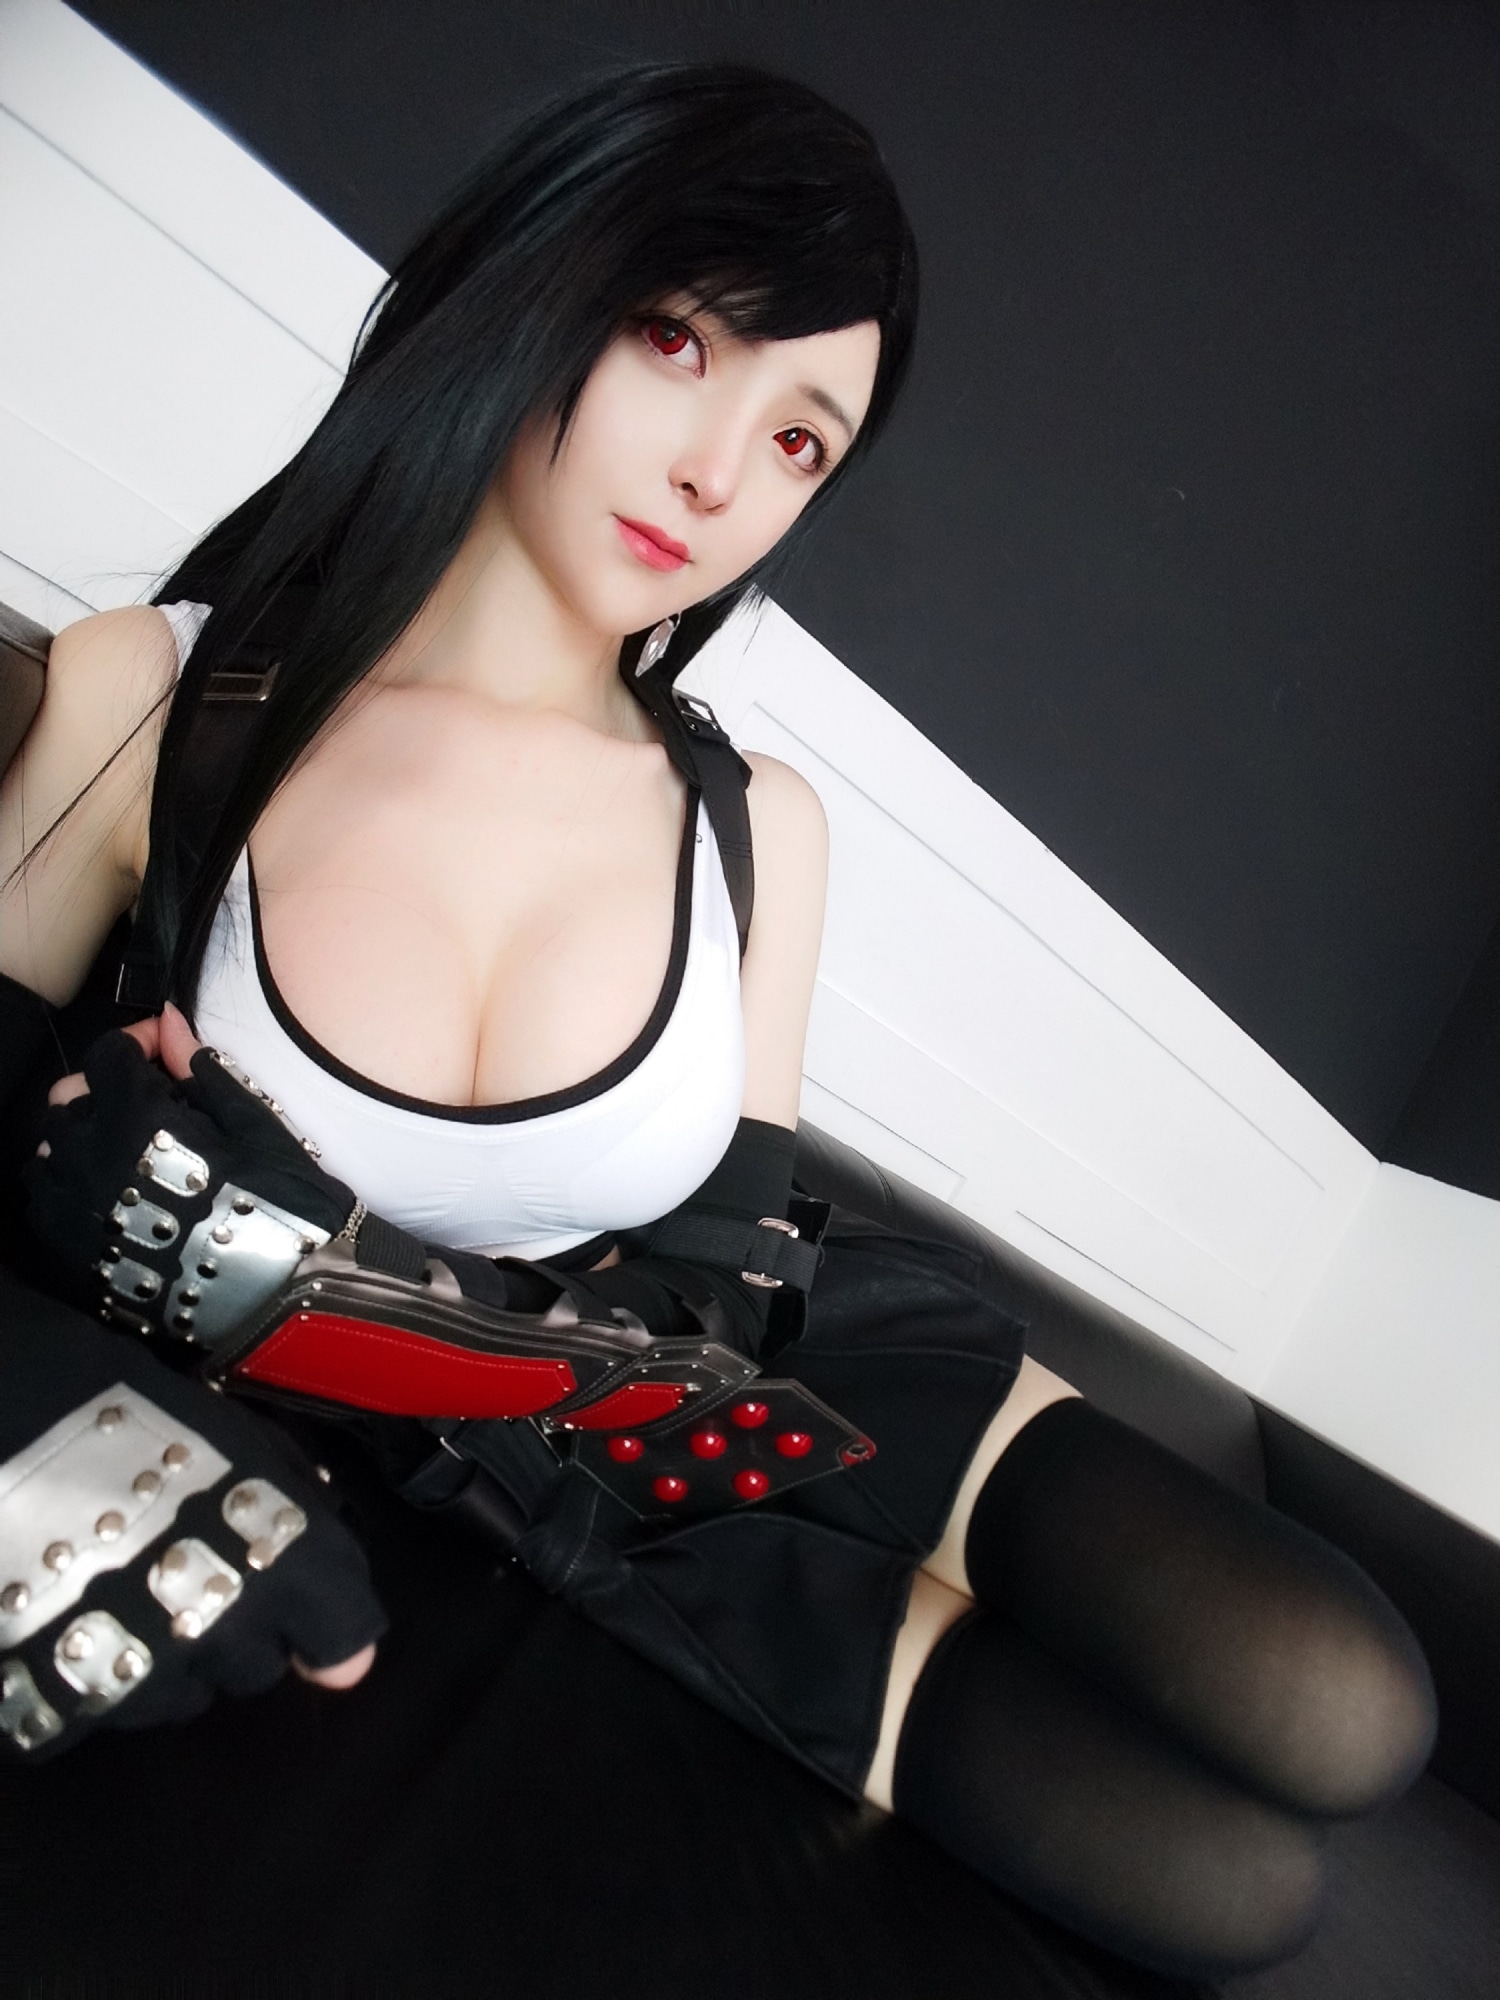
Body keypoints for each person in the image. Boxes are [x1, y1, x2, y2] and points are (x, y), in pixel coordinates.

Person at [0, 61, 1436, 1981]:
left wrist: (312, 1279)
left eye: (799, 441)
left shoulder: (759, 823)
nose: (718, 475)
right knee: (1229, 1890)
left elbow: (731, 1278)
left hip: (742, 1358)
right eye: (679, 341)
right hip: (548, 1471)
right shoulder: (160, 703)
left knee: (1346, 1697)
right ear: (538, 278)